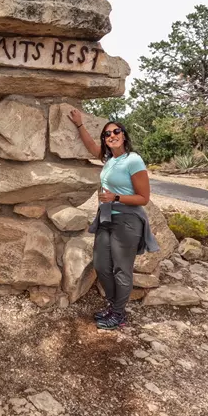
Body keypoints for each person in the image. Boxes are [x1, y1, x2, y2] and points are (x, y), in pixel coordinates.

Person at [68, 109, 159, 330]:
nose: (111, 136)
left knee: (121, 268)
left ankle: (118, 313)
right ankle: (113, 305)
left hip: (128, 220)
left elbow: (144, 198)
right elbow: (91, 148)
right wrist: (80, 124)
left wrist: (115, 196)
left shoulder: (133, 160)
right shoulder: (110, 159)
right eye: (107, 134)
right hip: (107, 217)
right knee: (101, 265)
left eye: (116, 131)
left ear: (124, 135)